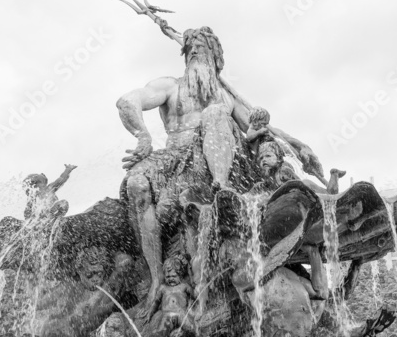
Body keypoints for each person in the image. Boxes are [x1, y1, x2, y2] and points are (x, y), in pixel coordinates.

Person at [116, 26, 324, 308]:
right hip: (174, 156)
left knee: (214, 114)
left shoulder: (227, 100)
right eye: (190, 50)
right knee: (136, 184)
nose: (194, 52)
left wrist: (272, 129)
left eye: (201, 48)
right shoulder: (170, 86)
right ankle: (156, 278)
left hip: (223, 163)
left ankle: (221, 187)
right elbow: (127, 101)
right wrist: (142, 135)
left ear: (216, 59)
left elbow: (257, 132)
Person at [145, 255, 196, 336]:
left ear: (180, 274)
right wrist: (150, 314)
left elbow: (195, 296)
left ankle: (186, 332)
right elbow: (156, 302)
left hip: (181, 312)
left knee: (192, 329)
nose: (170, 279)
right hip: (167, 314)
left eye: (174, 276)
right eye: (168, 276)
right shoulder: (163, 288)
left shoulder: (184, 286)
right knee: (161, 332)